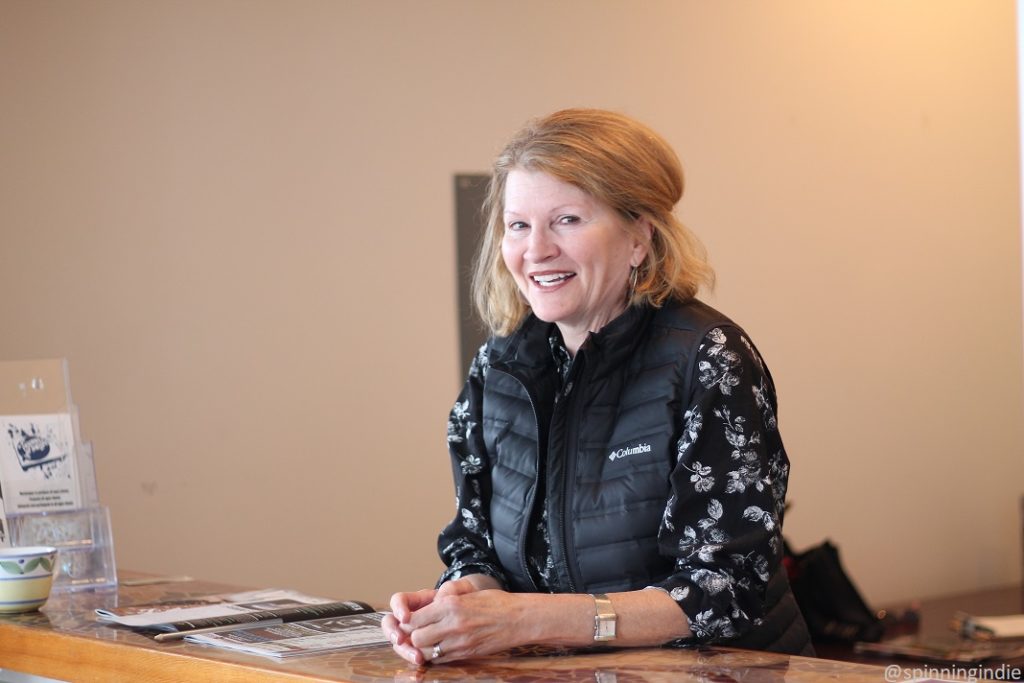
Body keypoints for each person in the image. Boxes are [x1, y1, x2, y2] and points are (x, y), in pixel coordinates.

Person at [381, 108, 813, 665]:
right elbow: (474, 541)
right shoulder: (500, 364)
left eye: (567, 220)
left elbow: (724, 589)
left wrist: (526, 619)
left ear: (639, 237)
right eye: (518, 225)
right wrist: (462, 605)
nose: (535, 250)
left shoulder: (709, 358)